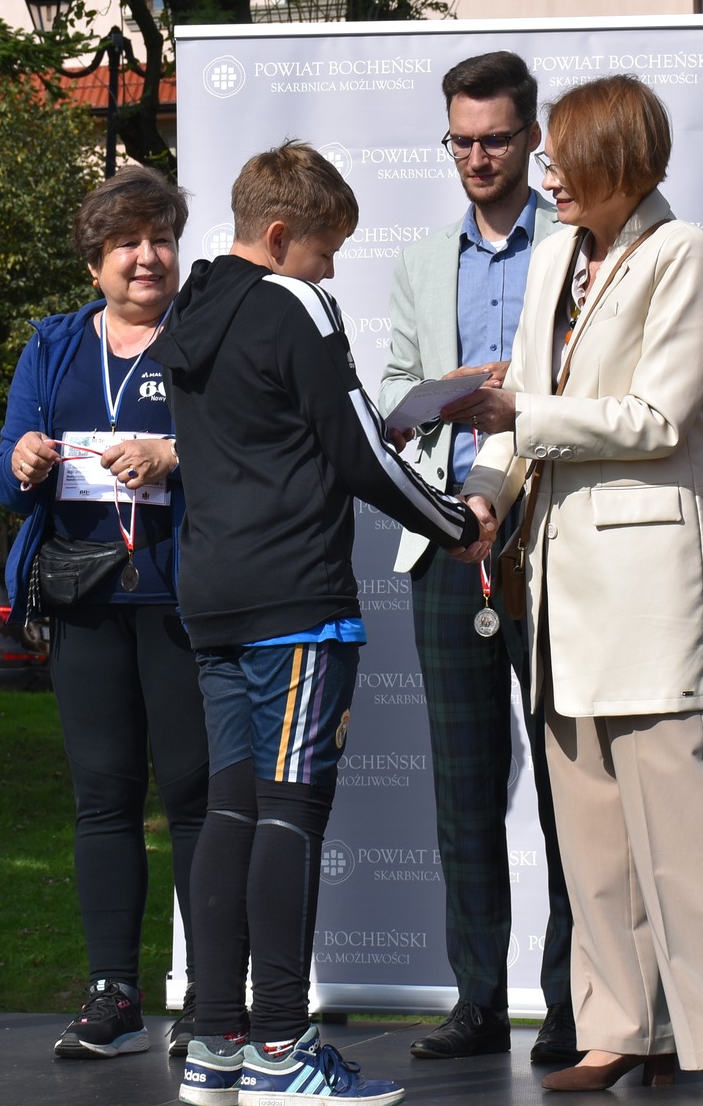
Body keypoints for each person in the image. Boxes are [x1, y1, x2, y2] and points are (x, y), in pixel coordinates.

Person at [455, 76, 703, 1096]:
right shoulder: (555, 254)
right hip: (556, 574)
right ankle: (622, 1025)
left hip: (648, 574)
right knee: (590, 826)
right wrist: (479, 499)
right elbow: (515, 409)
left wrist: (523, 411)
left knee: (681, 813)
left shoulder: (681, 251)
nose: (545, 175)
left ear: (619, 161)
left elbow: (656, 416)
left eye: (561, 158)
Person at [158, 141, 480, 1106]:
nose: (334, 269)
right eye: (327, 249)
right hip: (296, 598)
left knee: (230, 812)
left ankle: (217, 1045)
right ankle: (281, 1049)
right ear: (281, 233)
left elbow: (284, 435)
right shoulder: (294, 304)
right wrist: (455, 522)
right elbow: (353, 456)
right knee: (290, 814)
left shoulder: (193, 306)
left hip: (210, 597)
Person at [379, 50, 577, 1064]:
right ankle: (476, 1001)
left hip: (552, 542)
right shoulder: (421, 259)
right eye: (459, 139)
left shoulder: (575, 244)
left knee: (567, 787)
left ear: (531, 136)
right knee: (463, 789)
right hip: (448, 544)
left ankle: (574, 1005)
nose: (476, 156)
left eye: (494, 137)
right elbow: (395, 390)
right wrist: (441, 390)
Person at [0, 165, 211, 1060]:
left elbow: (244, 442)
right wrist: (30, 459)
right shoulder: (54, 347)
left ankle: (209, 997)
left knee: (195, 798)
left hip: (181, 597)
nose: (146, 257)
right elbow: (4, 477)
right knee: (104, 800)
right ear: (95, 263)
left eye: (160, 239)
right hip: (84, 597)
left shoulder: (203, 335)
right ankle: (114, 993)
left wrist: (175, 453)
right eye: (127, 243)